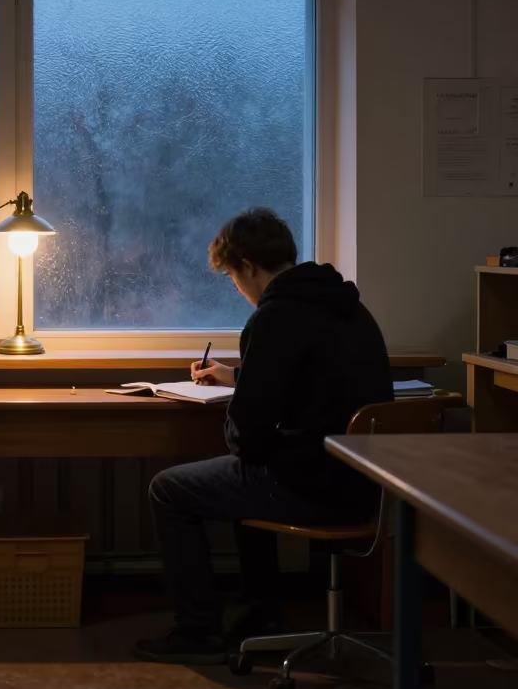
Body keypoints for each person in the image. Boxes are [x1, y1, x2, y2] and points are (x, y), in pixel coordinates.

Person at [134, 208, 393, 665]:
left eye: (235, 278)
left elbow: (247, 440)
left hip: (315, 487)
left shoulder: (274, 317)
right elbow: (314, 379)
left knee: (170, 488)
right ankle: (261, 611)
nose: (238, 289)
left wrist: (243, 406)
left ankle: (197, 630)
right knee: (244, 474)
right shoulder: (345, 304)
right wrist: (239, 377)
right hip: (368, 485)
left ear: (250, 267)